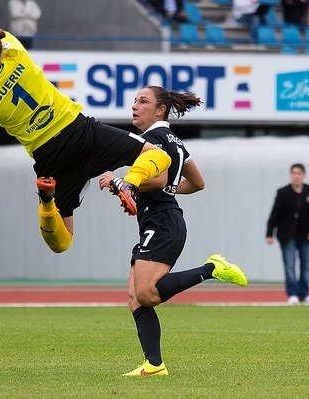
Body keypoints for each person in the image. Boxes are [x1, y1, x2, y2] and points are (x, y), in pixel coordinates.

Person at [0, 11, 172, 254]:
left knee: (61, 243)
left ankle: (46, 200)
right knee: (159, 157)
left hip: (50, 158)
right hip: (80, 132)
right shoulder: (14, 49)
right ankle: (130, 183)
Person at [99, 86, 248, 377]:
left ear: (160, 110)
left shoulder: (152, 139)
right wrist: (165, 189)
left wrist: (122, 183)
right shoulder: (175, 141)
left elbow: (159, 178)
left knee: (147, 293)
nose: (135, 106)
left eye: (143, 101)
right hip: (162, 219)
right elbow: (196, 183)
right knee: (134, 296)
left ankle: (211, 268)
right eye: (134, 101)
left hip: (162, 222)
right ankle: (154, 364)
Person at [265, 163, 309, 305]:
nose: (296, 176)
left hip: (305, 234)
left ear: (303, 175)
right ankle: (293, 294)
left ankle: (305, 294)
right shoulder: (283, 192)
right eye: (294, 173)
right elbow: (274, 214)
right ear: (291, 175)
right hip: (286, 234)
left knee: (306, 265)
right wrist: (269, 233)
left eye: (299, 173)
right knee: (289, 265)